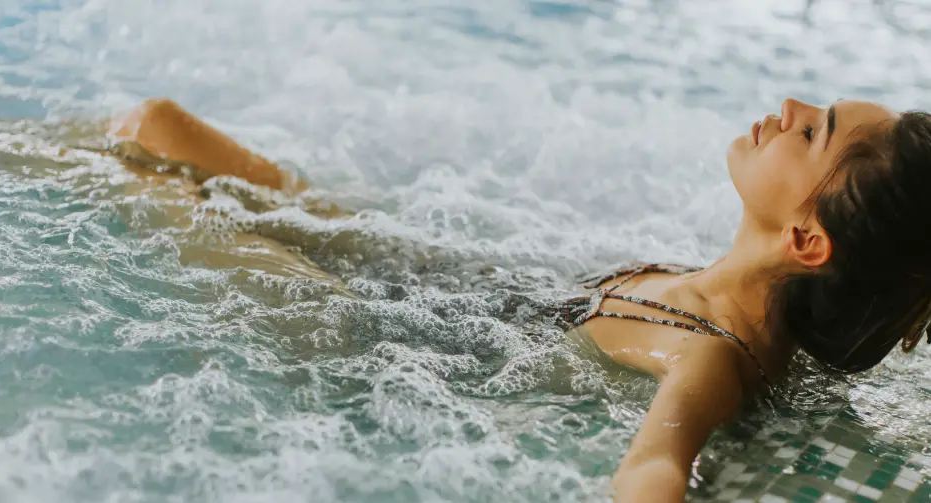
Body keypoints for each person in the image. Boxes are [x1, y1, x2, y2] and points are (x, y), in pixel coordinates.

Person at [104, 97, 931, 502]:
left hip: (370, 332)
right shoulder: (706, 284)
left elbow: (653, 464)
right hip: (452, 285)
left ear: (807, 239)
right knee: (156, 125)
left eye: (812, 131)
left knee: (135, 178)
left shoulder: (712, 351)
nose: (786, 109)